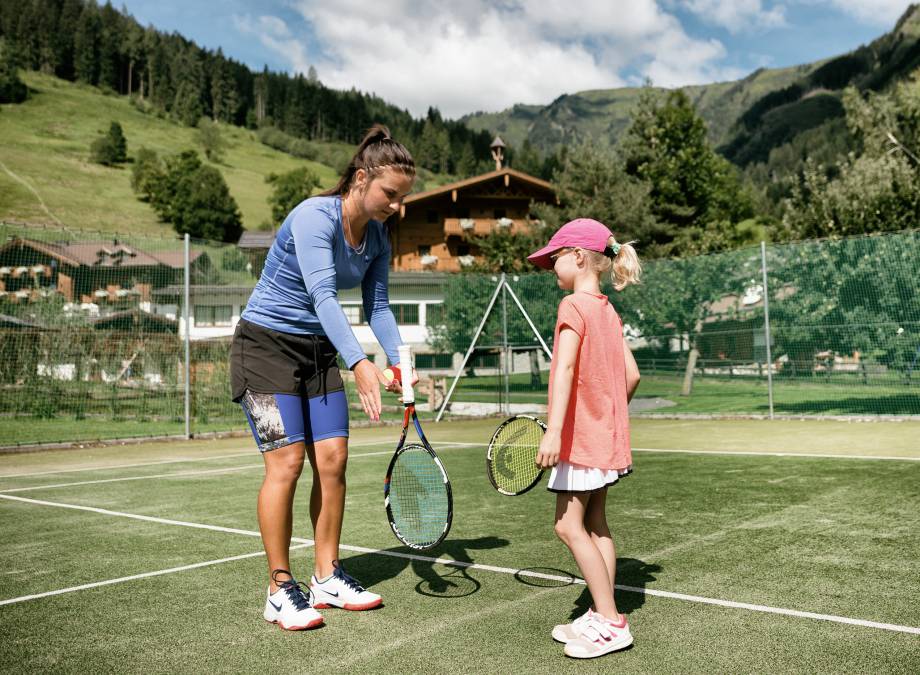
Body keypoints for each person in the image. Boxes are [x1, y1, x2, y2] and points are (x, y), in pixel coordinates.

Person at [229, 124, 416, 630]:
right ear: (361, 178)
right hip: (263, 347)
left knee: (333, 462)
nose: (396, 207)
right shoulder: (314, 217)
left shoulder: (377, 236)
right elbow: (323, 296)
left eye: (402, 199)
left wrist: (399, 358)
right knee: (286, 466)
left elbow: (378, 305)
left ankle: (327, 576)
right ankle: (279, 588)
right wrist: (360, 363)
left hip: (317, 353)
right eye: (389, 195)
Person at [527, 218, 642, 658]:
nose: (551, 267)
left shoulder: (573, 306)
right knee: (596, 525)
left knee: (567, 525)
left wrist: (556, 430)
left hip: (580, 442)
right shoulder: (608, 309)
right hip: (606, 440)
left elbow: (567, 371)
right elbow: (632, 375)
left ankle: (611, 621)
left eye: (554, 258)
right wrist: (606, 416)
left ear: (578, 257)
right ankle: (599, 611)